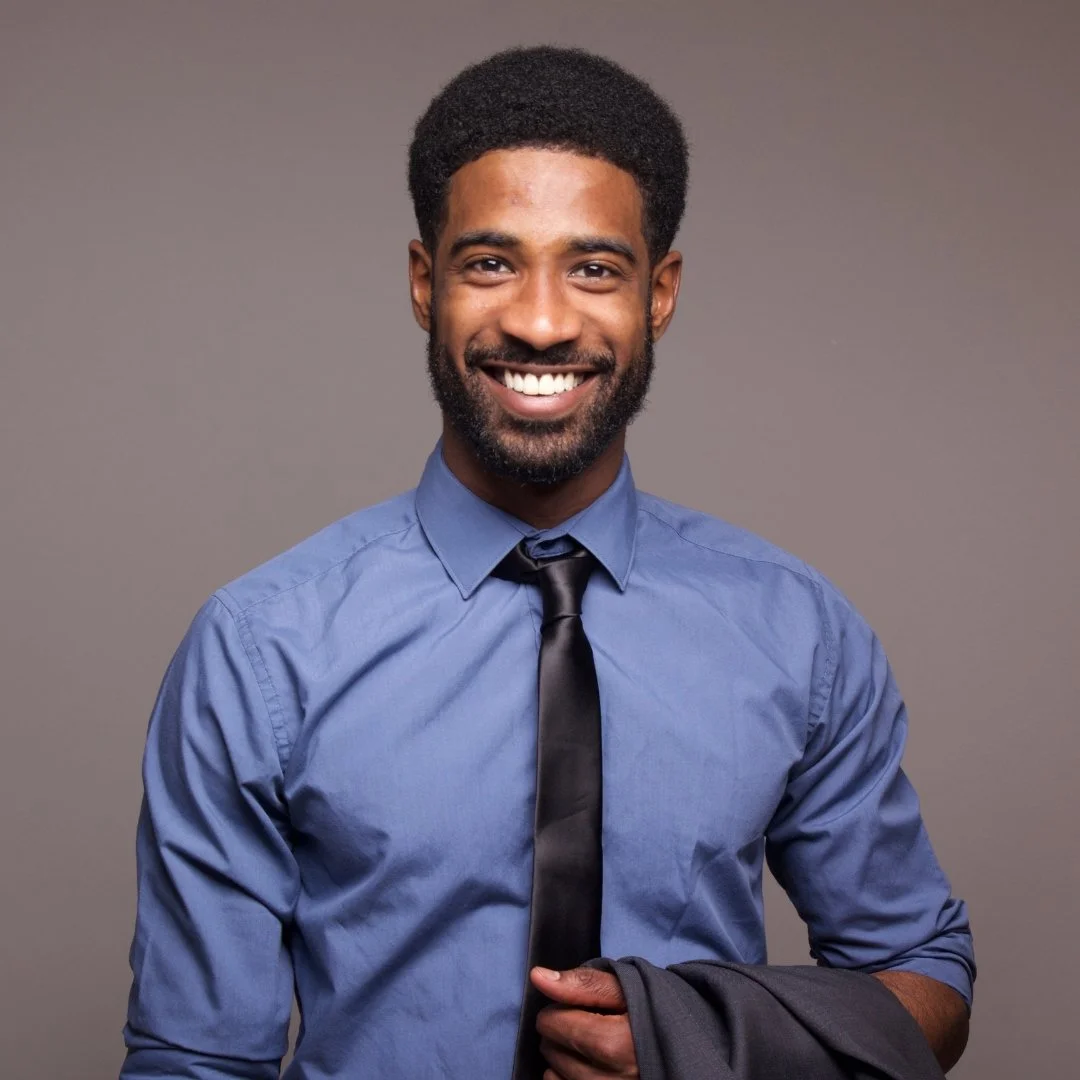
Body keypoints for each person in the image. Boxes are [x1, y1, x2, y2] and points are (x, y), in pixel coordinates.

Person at [120, 46, 974, 1079]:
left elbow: (923, 986)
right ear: (425, 284)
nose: (539, 321)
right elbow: (194, 1061)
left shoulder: (797, 632)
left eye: (594, 269)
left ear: (659, 294)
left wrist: (702, 1041)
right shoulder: (261, 648)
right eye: (490, 263)